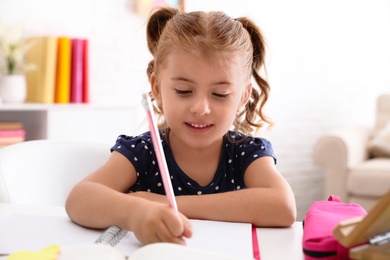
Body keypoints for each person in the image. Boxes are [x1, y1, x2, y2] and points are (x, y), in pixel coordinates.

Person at [65, 7, 296, 246]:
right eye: (184, 91)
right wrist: (135, 213)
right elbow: (79, 198)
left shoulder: (246, 153)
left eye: (220, 94)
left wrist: (163, 203)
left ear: (242, 97)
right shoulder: (143, 152)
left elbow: (283, 206)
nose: (200, 108)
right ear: (156, 88)